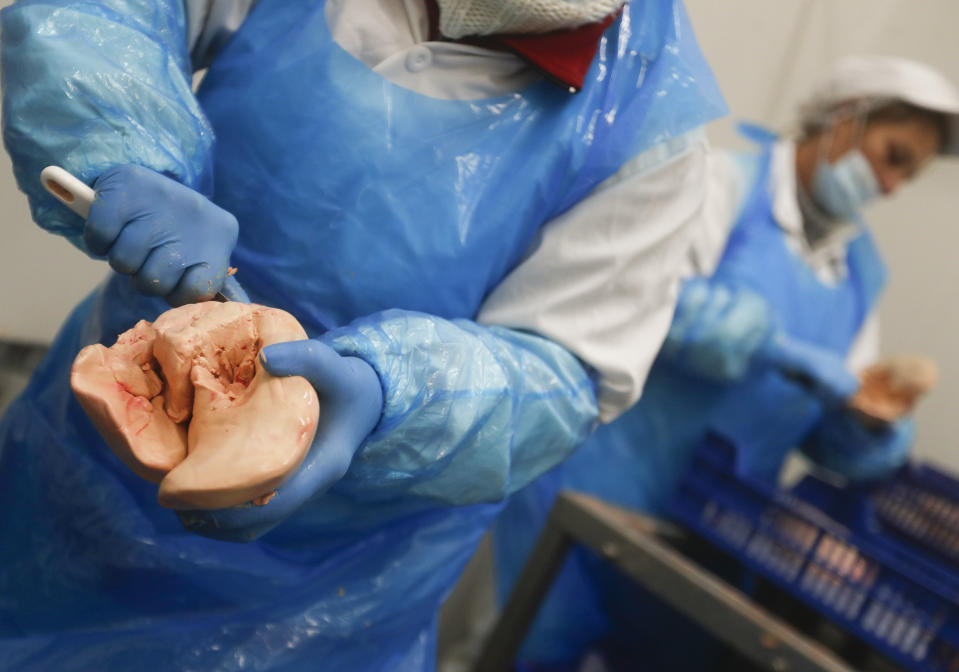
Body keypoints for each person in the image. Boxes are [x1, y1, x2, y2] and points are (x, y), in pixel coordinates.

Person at [0, 0, 727, 669]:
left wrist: (394, 397)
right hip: (71, 489)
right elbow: (101, 13)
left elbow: (560, 375)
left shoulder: (647, 126)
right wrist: (120, 137)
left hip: (341, 592)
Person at [492, 54, 959, 670]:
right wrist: (766, 342)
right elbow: (638, 295)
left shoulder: (859, 274)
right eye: (893, 156)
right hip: (588, 490)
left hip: (704, 531)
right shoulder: (719, 188)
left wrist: (865, 426)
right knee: (528, 647)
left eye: (911, 174)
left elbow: (830, 434)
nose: (893, 186)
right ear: (845, 120)